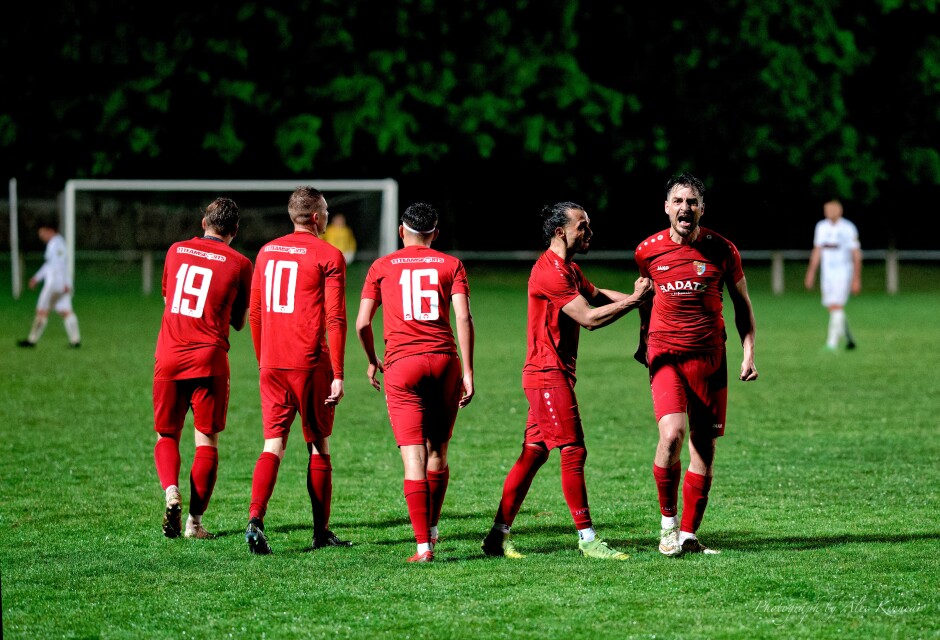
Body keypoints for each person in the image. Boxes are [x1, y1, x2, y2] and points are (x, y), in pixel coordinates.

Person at [481, 202, 653, 561]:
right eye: (582, 226)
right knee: (573, 450)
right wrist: (635, 300)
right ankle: (587, 539)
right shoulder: (549, 272)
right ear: (561, 231)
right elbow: (589, 318)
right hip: (547, 375)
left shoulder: (568, 269)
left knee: (533, 454)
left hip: (551, 374)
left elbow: (597, 296)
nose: (589, 232)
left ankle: (496, 537)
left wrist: (645, 301)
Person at [634, 172, 758, 557]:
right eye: (678, 201)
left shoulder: (723, 250)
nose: (685, 208)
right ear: (667, 207)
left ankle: (689, 534)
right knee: (671, 434)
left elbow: (743, 305)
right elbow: (645, 299)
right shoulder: (647, 251)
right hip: (666, 354)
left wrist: (748, 351)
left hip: (710, 358)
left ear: (702, 208)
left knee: (703, 447)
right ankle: (668, 525)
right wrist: (643, 343)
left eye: (692, 202)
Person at [355, 202, 475, 563]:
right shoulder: (451, 264)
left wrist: (372, 359)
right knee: (438, 451)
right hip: (443, 361)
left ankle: (422, 546)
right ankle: (434, 529)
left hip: (402, 364)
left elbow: (362, 323)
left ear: (400, 232)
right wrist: (468, 371)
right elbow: (464, 318)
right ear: (435, 234)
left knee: (413, 457)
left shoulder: (381, 266)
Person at [244, 185, 351, 555]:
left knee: (272, 444)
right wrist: (338, 372)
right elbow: (335, 318)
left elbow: (255, 312)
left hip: (271, 363)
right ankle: (321, 532)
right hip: (308, 363)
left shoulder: (266, 251)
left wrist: (264, 358)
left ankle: (255, 519)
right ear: (318, 218)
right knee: (318, 446)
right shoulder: (329, 254)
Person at [152, 197, 253, 539]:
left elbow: (169, 301)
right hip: (209, 358)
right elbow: (239, 322)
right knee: (206, 442)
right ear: (234, 231)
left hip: (169, 353)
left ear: (203, 222)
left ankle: (170, 491)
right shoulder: (240, 263)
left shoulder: (176, 250)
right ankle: (194, 523)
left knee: (167, 434)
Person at [803, 198, 862, 351]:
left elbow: (856, 254)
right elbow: (817, 251)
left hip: (843, 271)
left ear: (839, 210)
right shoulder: (821, 227)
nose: (828, 212)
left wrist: (856, 278)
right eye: (826, 209)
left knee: (836, 305)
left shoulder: (848, 228)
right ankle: (849, 339)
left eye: (832, 209)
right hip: (827, 272)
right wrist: (811, 273)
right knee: (833, 307)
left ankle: (832, 343)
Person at [17, 221, 81, 348]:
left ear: (50, 231)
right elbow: (50, 265)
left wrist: (64, 282)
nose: (41, 236)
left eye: (42, 233)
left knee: (41, 311)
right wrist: (37, 278)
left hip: (55, 284)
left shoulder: (57, 244)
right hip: (61, 284)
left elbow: (58, 266)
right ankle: (75, 340)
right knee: (66, 311)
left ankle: (32, 340)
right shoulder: (55, 244)